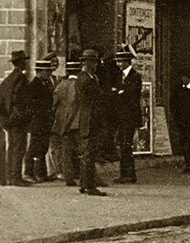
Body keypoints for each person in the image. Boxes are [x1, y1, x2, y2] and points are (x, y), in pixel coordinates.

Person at [0, 49, 32, 186]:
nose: (26, 63)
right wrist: (17, 116)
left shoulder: (8, 79)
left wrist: (5, 118)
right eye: (24, 60)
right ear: (21, 62)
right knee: (19, 147)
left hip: (9, 119)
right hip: (18, 119)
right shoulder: (21, 78)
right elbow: (19, 100)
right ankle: (15, 177)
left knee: (12, 147)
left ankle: (10, 175)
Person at [76, 49, 107, 196]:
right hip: (90, 120)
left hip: (88, 119)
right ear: (87, 63)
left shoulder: (87, 77)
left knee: (87, 153)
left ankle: (84, 184)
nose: (96, 65)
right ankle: (89, 185)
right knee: (89, 153)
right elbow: (99, 96)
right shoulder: (86, 79)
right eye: (94, 62)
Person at [112, 45, 142, 184]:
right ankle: (126, 173)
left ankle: (128, 174)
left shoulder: (135, 76)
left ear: (127, 62)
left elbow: (130, 95)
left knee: (126, 145)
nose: (118, 64)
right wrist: (119, 92)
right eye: (117, 62)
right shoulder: (119, 76)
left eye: (121, 62)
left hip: (129, 116)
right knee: (123, 145)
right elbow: (117, 92)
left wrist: (119, 92)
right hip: (121, 116)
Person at [23, 57, 55, 182]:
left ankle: (41, 173)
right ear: (39, 71)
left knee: (43, 147)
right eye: (46, 72)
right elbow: (32, 105)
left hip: (44, 121)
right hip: (37, 121)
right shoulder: (33, 85)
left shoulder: (45, 84)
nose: (48, 74)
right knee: (33, 148)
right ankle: (28, 173)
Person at [51, 59, 82, 186]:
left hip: (63, 123)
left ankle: (68, 177)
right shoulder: (80, 85)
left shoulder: (60, 86)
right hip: (78, 122)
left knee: (66, 151)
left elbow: (54, 104)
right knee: (82, 150)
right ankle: (86, 176)